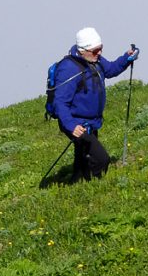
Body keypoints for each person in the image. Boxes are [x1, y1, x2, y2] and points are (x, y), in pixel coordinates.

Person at [53, 27, 139, 182]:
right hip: (77, 124)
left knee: (82, 161)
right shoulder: (68, 68)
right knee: (101, 159)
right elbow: (60, 102)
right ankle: (94, 187)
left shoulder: (95, 60)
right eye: (95, 50)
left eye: (100, 49)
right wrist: (71, 125)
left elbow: (111, 69)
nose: (99, 53)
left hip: (92, 122)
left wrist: (126, 58)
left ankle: (76, 185)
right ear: (82, 50)